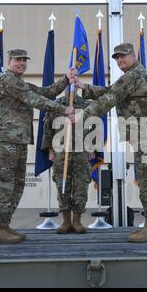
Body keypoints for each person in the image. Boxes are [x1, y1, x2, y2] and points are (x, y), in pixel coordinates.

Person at [74, 43, 147, 243]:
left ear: (133, 55)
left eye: (123, 56)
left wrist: (81, 115)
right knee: (146, 177)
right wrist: (84, 87)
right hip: (143, 133)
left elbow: (110, 98)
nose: (119, 60)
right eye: (116, 58)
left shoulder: (133, 75)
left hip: (146, 134)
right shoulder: (132, 76)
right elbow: (111, 92)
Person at [0, 49, 76, 244]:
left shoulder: (21, 84)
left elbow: (46, 92)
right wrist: (63, 109)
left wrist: (66, 80)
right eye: (18, 60)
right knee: (3, 186)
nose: (22, 63)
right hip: (3, 142)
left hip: (17, 142)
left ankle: (4, 225)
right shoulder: (7, 80)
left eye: (24, 60)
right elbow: (35, 100)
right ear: (8, 62)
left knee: (16, 185)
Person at [41, 90, 92, 234]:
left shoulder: (86, 105)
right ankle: (66, 221)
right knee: (62, 186)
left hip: (81, 152)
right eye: (68, 86)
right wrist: (50, 149)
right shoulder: (56, 105)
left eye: (73, 86)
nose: (71, 89)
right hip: (61, 152)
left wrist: (92, 148)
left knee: (81, 186)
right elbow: (47, 128)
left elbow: (94, 127)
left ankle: (77, 221)